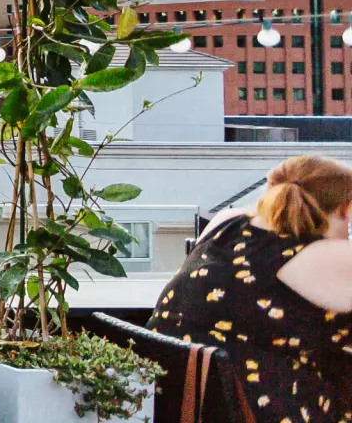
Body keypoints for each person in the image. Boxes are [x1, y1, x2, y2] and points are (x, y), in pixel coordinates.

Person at [150, 154, 352, 422]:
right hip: (252, 409)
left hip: (174, 400)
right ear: (346, 209)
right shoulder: (335, 257)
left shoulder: (224, 223)